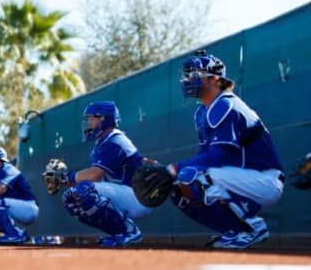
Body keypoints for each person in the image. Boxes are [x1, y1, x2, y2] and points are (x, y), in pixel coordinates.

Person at [166, 50, 284, 249]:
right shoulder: (202, 112)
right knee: (178, 186)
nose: (187, 80)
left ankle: (252, 227)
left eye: (193, 74)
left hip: (265, 179)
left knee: (193, 177)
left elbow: (219, 156)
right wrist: (174, 173)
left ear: (214, 79)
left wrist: (174, 167)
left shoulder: (226, 105)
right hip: (238, 177)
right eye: (186, 75)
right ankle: (233, 231)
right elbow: (205, 157)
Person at [61, 101, 152, 247]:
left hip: (138, 196)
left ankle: (129, 231)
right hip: (125, 192)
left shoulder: (115, 139)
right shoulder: (102, 142)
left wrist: (66, 177)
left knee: (84, 190)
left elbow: (94, 176)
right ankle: (119, 233)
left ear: (104, 119)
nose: (88, 123)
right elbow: (95, 179)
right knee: (70, 198)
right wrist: (65, 180)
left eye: (92, 119)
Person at [0, 146, 39, 244]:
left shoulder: (8, 168)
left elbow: (0, 189)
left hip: (29, 207)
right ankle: (20, 234)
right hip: (14, 208)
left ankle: (15, 235)